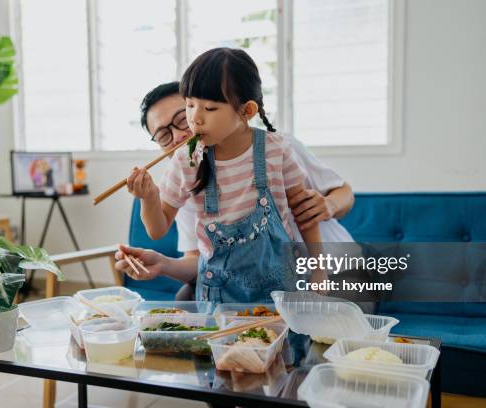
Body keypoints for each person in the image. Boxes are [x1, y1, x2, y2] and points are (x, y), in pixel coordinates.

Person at [123, 48, 335, 304]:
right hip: (219, 295)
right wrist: (148, 197)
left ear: (246, 111)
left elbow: (304, 213)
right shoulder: (186, 160)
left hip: (281, 291)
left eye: (209, 108)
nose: (195, 119)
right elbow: (157, 229)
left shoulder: (275, 149)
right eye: (190, 105)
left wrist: (319, 271)